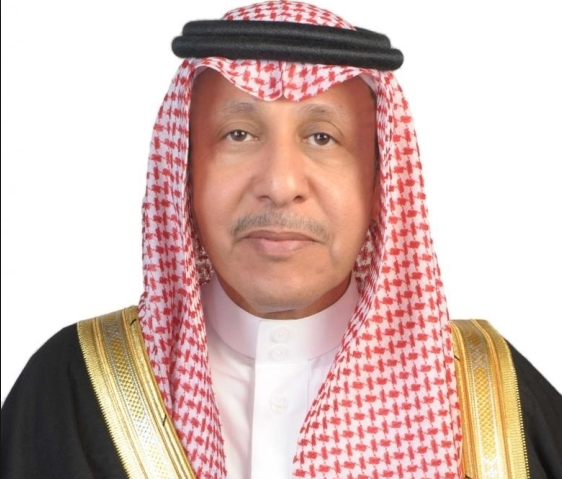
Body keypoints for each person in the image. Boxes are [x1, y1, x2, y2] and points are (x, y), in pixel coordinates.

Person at [1, 1, 561, 478]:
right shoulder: (72, 388)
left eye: (322, 137)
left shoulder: (495, 399)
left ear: (380, 185)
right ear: (185, 176)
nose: (280, 183)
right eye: (238, 134)